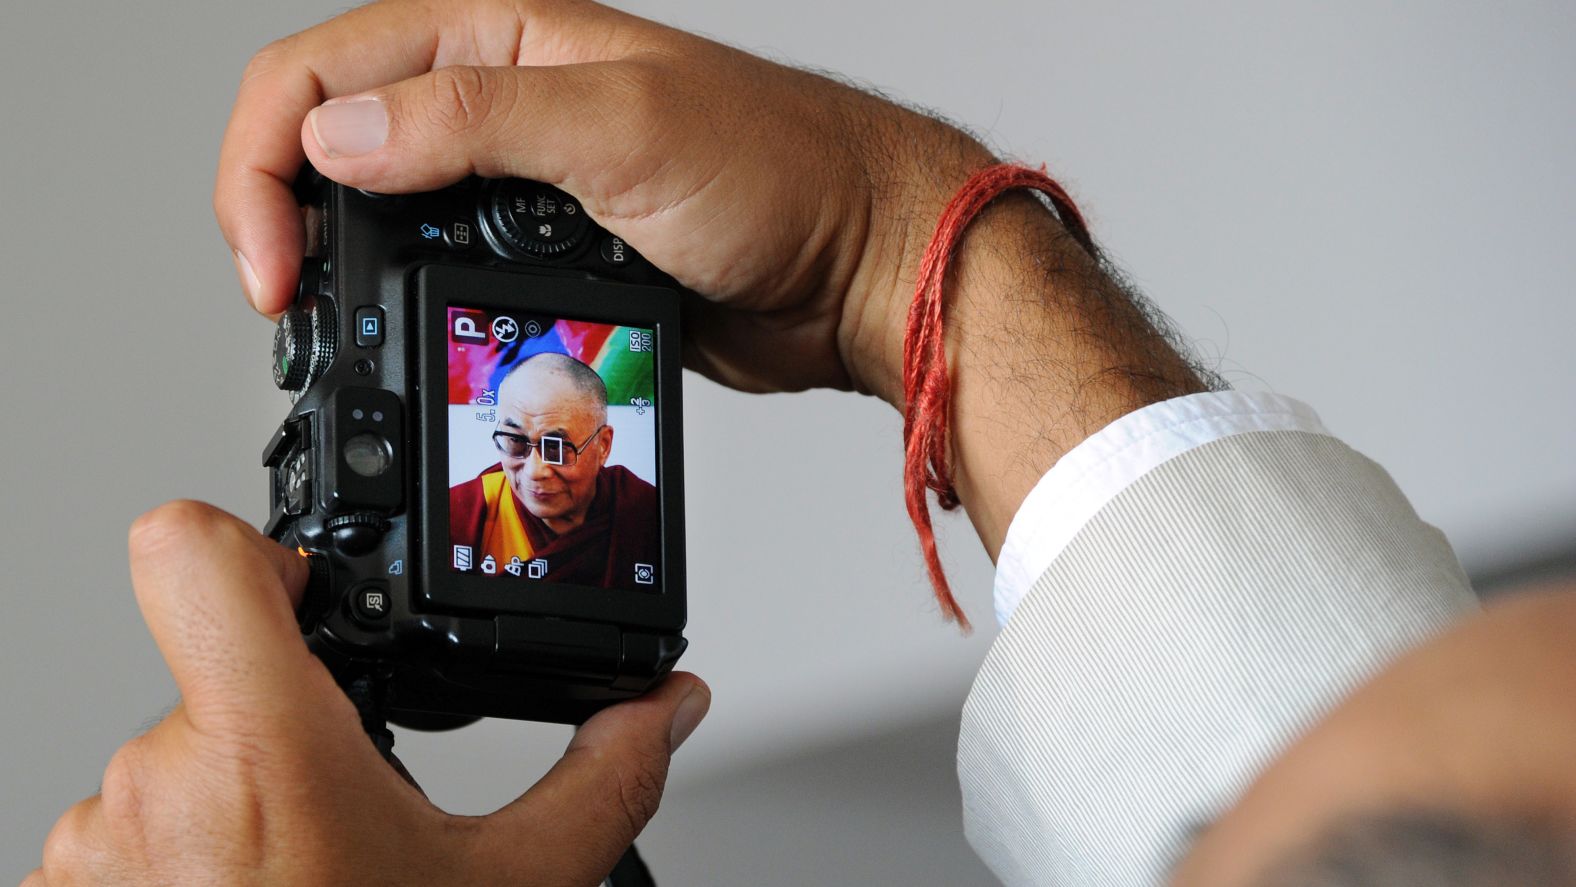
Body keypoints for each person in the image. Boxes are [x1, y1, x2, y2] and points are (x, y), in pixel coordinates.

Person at [27, 1, 1576, 884]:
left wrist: (904, 239)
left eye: (566, 445)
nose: (549, 469)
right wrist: (892, 244)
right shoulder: (1374, 790)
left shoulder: (613, 498)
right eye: (517, 443)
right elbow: (1302, 778)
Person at [449, 352, 660, 589]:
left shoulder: (645, 511)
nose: (534, 472)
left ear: (603, 445)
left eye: (556, 448)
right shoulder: (461, 513)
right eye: (515, 441)